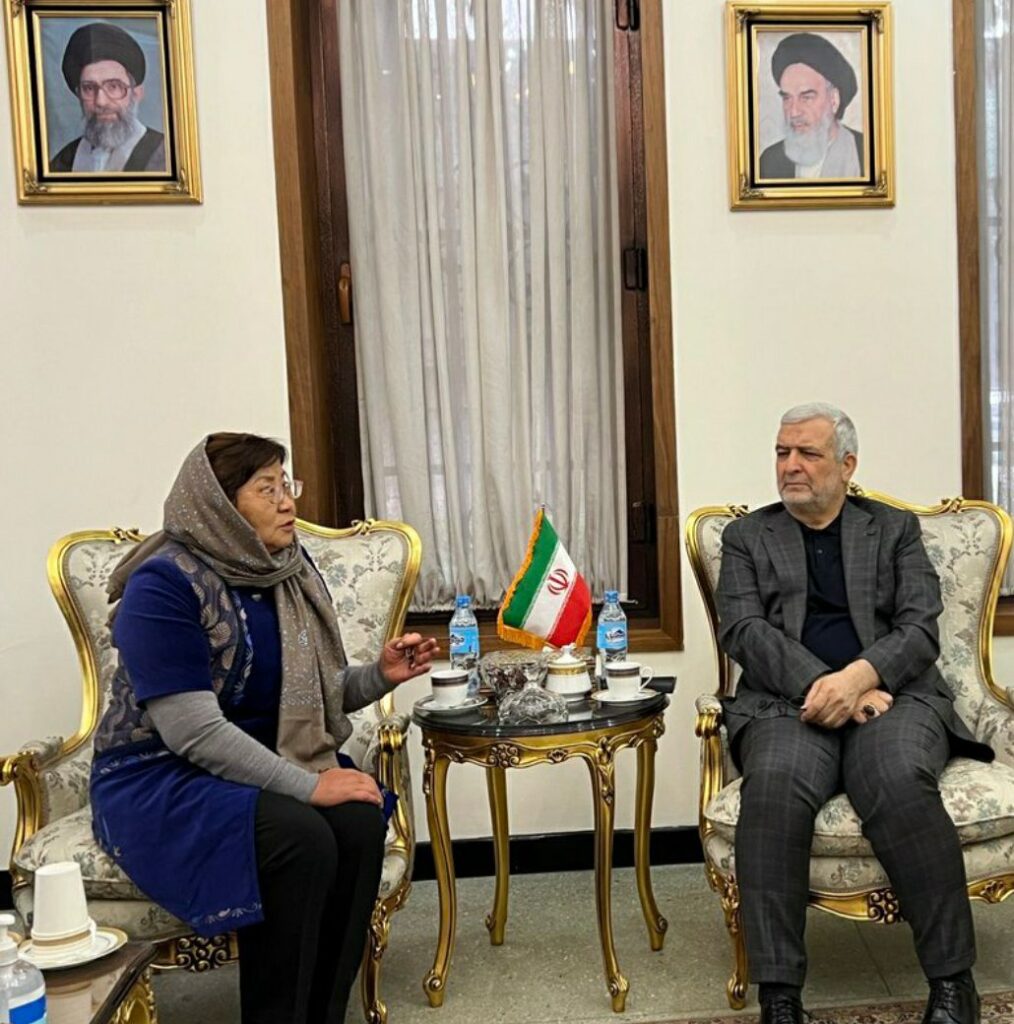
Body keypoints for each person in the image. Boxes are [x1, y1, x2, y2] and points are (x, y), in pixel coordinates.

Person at [90, 433, 439, 1024]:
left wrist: (379, 676)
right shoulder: (163, 584)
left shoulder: (286, 572)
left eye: (287, 484)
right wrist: (310, 786)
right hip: (160, 773)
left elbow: (316, 695)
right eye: (267, 489)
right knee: (299, 836)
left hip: (263, 757)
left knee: (358, 821)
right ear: (220, 505)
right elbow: (191, 732)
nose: (287, 502)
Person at [715, 403, 993, 1024]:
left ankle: (953, 983)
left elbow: (919, 628)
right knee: (774, 788)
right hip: (786, 704)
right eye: (782, 452)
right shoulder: (747, 537)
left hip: (896, 698)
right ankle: (779, 998)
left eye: (807, 454)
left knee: (898, 780)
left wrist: (861, 678)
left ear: (846, 465)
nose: (790, 465)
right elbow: (745, 630)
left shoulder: (892, 529)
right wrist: (830, 687)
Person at [49, 22, 167, 173]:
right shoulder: (64, 162)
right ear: (79, 95)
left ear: (137, 93)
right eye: (89, 88)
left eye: (114, 86)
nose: (101, 101)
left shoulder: (166, 155)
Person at [759, 33, 864, 180]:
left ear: (834, 100)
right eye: (787, 98)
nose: (794, 112)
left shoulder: (866, 153)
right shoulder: (769, 162)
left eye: (806, 98)